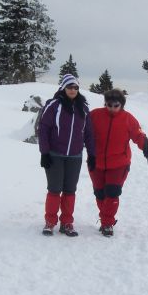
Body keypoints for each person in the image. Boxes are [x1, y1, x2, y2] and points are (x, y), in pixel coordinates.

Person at [88, 89, 148, 237]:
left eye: (115, 105)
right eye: (109, 104)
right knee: (100, 194)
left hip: (119, 164)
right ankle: (105, 217)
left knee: (112, 193)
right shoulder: (95, 115)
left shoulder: (128, 119)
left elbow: (138, 135)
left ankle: (107, 223)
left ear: (121, 105)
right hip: (96, 162)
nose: (111, 108)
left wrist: (146, 145)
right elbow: (82, 131)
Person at [38, 74, 95, 236]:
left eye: (76, 87)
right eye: (70, 87)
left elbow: (89, 134)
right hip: (55, 154)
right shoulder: (54, 105)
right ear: (63, 88)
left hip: (75, 156)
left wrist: (92, 155)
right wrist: (44, 152)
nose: (73, 90)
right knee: (54, 189)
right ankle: (50, 222)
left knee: (70, 190)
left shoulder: (83, 108)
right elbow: (44, 129)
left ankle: (67, 223)